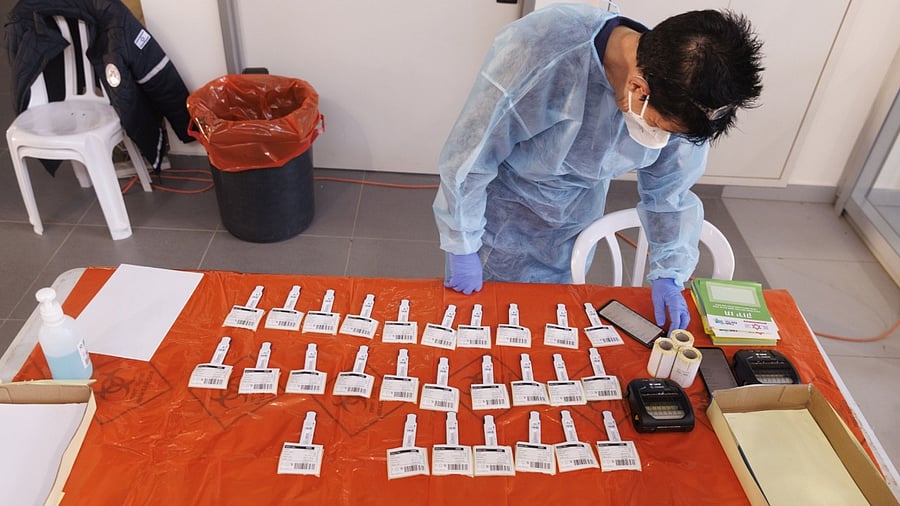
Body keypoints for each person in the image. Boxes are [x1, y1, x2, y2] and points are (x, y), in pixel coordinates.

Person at [432, 4, 763, 332]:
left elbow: (671, 193)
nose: (665, 139)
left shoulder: (682, 91)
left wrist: (669, 273)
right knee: (484, 329)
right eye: (661, 127)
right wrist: (463, 244)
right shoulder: (542, 47)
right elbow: (472, 156)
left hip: (575, 221)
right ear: (637, 89)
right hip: (500, 223)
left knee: (543, 329)